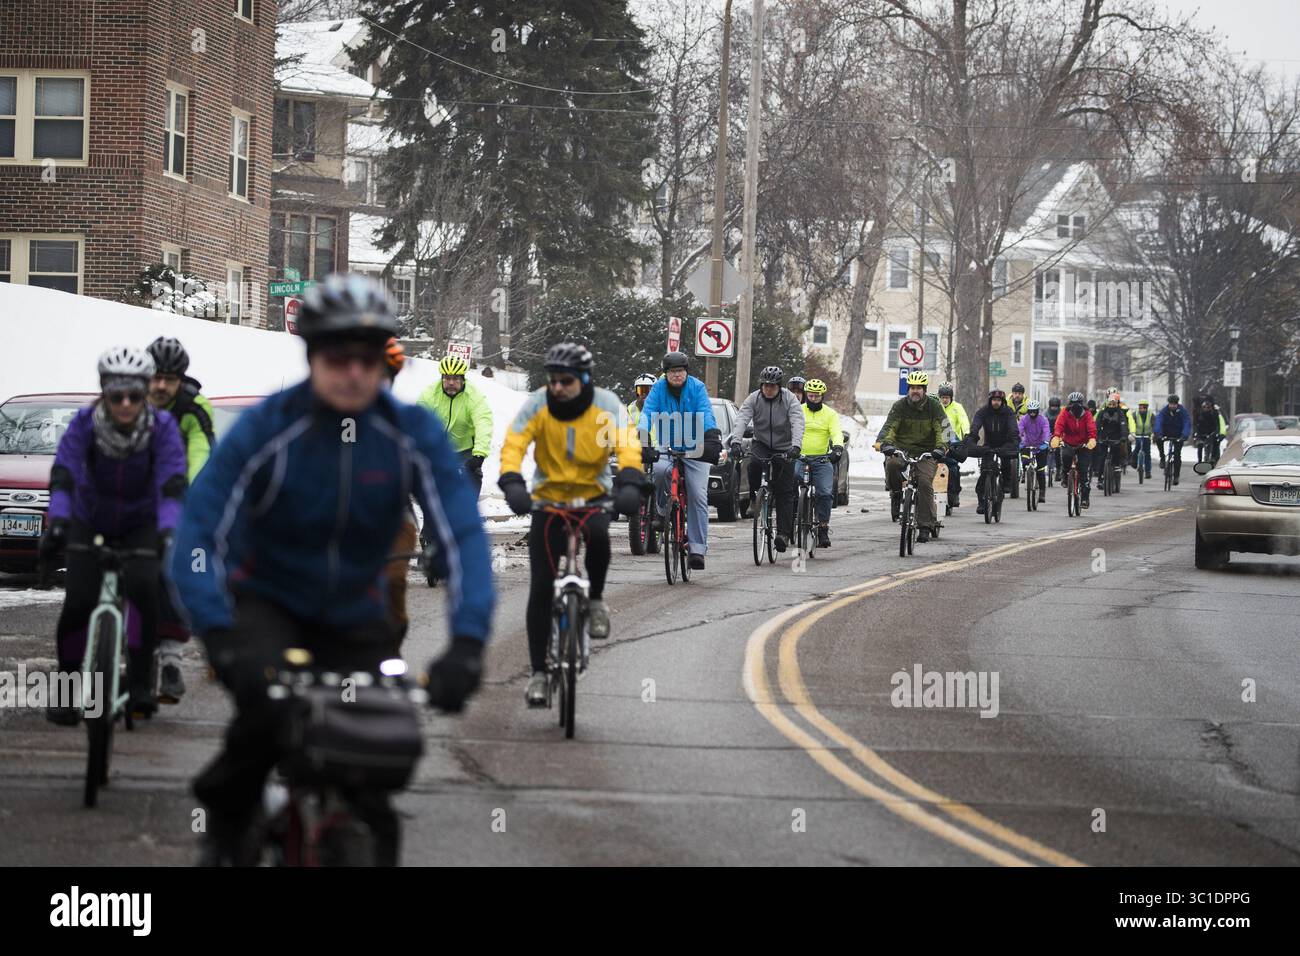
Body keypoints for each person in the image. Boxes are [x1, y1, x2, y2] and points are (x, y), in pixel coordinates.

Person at [170, 275, 494, 866]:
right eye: (336, 357)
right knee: (265, 715)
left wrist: (467, 642)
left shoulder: (409, 432)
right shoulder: (268, 429)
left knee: (380, 758)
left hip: (354, 615)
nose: (352, 373)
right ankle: (223, 832)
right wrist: (217, 630)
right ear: (312, 355)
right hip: (268, 605)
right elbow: (199, 533)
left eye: (367, 359)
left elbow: (464, 534)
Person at [42, 347, 187, 725]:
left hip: (141, 522)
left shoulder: (163, 428)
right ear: (103, 392)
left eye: (135, 396)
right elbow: (65, 473)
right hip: (90, 519)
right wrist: (58, 520)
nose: (125, 404)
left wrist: (169, 528)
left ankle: (140, 685)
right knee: (77, 603)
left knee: (142, 589)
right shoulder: (84, 423)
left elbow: (171, 483)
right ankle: (66, 693)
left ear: (145, 395)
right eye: (116, 395)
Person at [498, 342, 643, 708]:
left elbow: (627, 444)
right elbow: (514, 443)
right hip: (548, 499)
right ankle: (539, 675)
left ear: (583, 379)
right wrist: (512, 481)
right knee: (541, 587)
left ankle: (594, 602)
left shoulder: (607, 405)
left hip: (593, 496)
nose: (557, 388)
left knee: (598, 537)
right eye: (552, 380)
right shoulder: (538, 404)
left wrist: (629, 482)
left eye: (565, 381)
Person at [145, 335, 217, 704]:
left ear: (180, 380)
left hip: (180, 497)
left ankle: (171, 660)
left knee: (169, 569)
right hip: (134, 498)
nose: (160, 386)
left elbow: (201, 455)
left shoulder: (193, 407)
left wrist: (183, 497)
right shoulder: (129, 399)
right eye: (155, 377)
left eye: (169, 379)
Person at [638, 351, 722, 568]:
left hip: (696, 448)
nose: (677, 375)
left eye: (681, 371)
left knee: (697, 495)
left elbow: (705, 413)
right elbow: (647, 414)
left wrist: (711, 435)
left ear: (687, 372)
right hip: (668, 445)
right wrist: (644, 440)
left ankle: (696, 549)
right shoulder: (657, 389)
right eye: (673, 371)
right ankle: (663, 511)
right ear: (666, 373)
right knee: (658, 470)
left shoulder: (697, 388)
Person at [730, 366, 805, 552]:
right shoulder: (754, 398)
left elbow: (797, 422)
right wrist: (736, 442)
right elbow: (741, 419)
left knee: (785, 491)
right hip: (761, 443)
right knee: (753, 464)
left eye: (772, 386)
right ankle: (757, 494)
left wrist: (795, 446)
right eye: (765, 385)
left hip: (785, 445)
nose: (768, 389)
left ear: (779, 386)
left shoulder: (789, 399)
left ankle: (783, 534)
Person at [878, 371, 947, 542]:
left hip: (927, 452)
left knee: (924, 483)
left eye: (918, 388)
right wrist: (885, 443)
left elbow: (943, 429)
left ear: (924, 389)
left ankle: (925, 525)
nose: (915, 391)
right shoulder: (900, 406)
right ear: (908, 389)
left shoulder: (934, 406)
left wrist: (941, 447)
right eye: (912, 388)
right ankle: (895, 493)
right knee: (892, 464)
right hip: (903, 449)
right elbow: (890, 427)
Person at [381, 337, 419, 645]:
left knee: (393, 578)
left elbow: (441, 490)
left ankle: (392, 644)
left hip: (395, 519)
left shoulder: (406, 425)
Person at [417, 354, 493, 498]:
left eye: (455, 378)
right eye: (447, 378)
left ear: (463, 379)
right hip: (439, 447)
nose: (451, 382)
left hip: (465, 449)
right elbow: (418, 421)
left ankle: (468, 513)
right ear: (442, 378)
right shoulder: (430, 394)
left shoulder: (473, 396)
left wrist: (479, 454)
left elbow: (484, 422)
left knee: (472, 478)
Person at [797, 379, 844, 548]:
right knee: (790, 487)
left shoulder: (830, 414)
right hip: (799, 457)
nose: (814, 398)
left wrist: (837, 448)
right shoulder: (798, 411)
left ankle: (823, 527)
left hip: (822, 459)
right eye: (810, 395)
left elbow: (836, 433)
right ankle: (790, 524)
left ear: (822, 396)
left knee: (824, 493)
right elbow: (789, 430)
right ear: (805, 395)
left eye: (817, 396)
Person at [964, 389, 1020, 516]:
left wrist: (1013, 442)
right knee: (985, 472)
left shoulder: (1008, 412)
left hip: (1005, 445)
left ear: (1003, 402)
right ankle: (981, 502)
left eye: (999, 400)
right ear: (990, 401)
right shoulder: (983, 412)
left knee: (1006, 463)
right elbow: (975, 426)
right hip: (988, 446)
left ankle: (1006, 483)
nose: (996, 402)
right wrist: (972, 439)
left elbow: (1013, 430)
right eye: (994, 400)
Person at [1051, 391, 1097, 507]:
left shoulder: (1087, 414)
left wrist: (1092, 439)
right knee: (1066, 457)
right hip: (1069, 443)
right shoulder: (1065, 412)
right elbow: (1059, 425)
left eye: (1077, 404)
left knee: (1083, 472)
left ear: (1082, 404)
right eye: (1072, 403)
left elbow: (1091, 427)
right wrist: (1056, 436)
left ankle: (1085, 499)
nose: (1075, 406)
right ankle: (1065, 476)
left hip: (1083, 445)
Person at [937, 381, 969, 509]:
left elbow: (963, 421)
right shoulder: (935, 406)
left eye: (947, 398)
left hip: (953, 441)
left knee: (954, 468)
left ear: (951, 397)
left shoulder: (957, 407)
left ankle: (954, 494)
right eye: (943, 397)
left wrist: (966, 434)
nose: (944, 400)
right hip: (936, 440)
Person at [1094, 391, 1130, 490]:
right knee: (1101, 458)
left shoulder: (1120, 414)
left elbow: (1123, 426)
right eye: (1110, 404)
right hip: (1104, 437)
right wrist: (1096, 436)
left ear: (1117, 404)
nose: (1111, 406)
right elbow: (1096, 425)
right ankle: (1100, 479)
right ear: (1107, 403)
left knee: (1116, 452)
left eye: (1113, 404)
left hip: (1116, 437)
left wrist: (1123, 436)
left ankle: (1117, 466)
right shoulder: (1102, 413)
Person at [1018, 400, 1052, 502]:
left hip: (1040, 446)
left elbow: (1046, 431)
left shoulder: (1043, 420)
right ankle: (1025, 473)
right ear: (1028, 411)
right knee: (1024, 461)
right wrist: (1018, 440)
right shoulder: (1024, 419)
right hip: (1027, 444)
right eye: (1030, 411)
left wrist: (1046, 442)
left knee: (1040, 471)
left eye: (1034, 411)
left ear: (1037, 411)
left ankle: (1042, 492)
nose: (1032, 413)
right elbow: (1019, 430)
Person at [1155, 394, 1191, 484]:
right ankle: (1162, 458)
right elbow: (1158, 421)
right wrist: (1158, 433)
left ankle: (1176, 476)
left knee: (1177, 456)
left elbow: (1187, 423)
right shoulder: (1164, 411)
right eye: (1171, 404)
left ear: (1177, 404)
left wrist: (1184, 436)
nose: (1172, 406)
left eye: (1174, 404)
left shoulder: (1182, 411)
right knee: (1158, 440)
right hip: (1166, 433)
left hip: (1179, 435)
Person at [1194, 396, 1226, 466]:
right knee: (1200, 445)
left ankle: (1214, 459)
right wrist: (1197, 434)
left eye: (1208, 407)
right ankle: (1199, 462)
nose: (1206, 408)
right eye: (1204, 407)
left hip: (1213, 432)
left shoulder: (1216, 413)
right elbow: (1196, 425)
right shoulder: (1199, 413)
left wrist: (1217, 433)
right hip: (1202, 432)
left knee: (1216, 443)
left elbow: (1219, 424)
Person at [1128, 398, 1156, 478]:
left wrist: (1154, 433)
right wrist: (1131, 432)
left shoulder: (1151, 415)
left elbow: (1154, 425)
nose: (1141, 409)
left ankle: (1148, 471)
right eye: (1140, 407)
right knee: (1138, 446)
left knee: (1147, 453)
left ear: (1146, 408)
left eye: (1143, 407)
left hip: (1147, 435)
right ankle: (1133, 459)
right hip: (1137, 435)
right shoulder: (1135, 414)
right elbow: (1130, 423)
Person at [1046, 395, 1064, 480]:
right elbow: (1044, 425)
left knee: (1058, 452)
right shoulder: (1046, 413)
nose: (1054, 408)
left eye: (1055, 406)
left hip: (1059, 433)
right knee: (1046, 449)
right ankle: (1046, 467)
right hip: (1049, 433)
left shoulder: (1062, 413)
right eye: (1052, 406)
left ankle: (1059, 469)